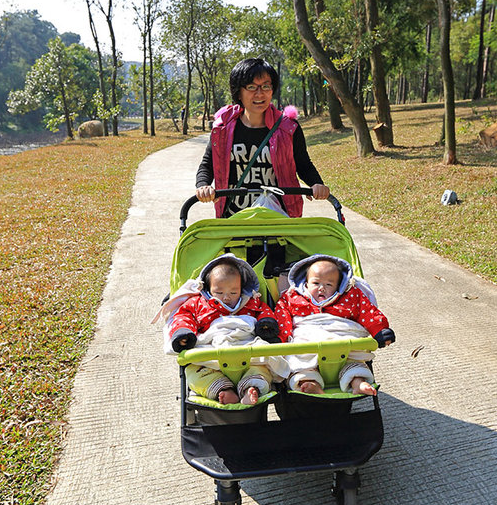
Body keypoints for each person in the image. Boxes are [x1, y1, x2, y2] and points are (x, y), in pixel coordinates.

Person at [195, 58, 330, 217]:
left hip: (278, 217)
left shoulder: (288, 129)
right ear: (239, 91)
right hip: (233, 218)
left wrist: (316, 184)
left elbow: (303, 164)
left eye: (266, 86)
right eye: (252, 87)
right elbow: (207, 164)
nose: (260, 93)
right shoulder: (223, 128)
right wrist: (203, 186)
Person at [273, 254, 395, 397]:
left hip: (342, 337)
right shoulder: (292, 297)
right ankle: (311, 384)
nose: (321, 289)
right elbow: (282, 318)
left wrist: (379, 330)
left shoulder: (350, 295)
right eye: (316, 283)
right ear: (306, 283)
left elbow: (368, 312)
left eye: (329, 284)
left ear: (339, 285)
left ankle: (358, 383)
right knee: (299, 366)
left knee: (353, 364)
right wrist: (281, 338)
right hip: (308, 340)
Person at [166, 254, 281, 405]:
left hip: (247, 349)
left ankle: (251, 388)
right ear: (208, 288)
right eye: (219, 292)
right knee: (194, 372)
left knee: (264, 368)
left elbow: (264, 311)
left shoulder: (250, 302)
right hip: (212, 353)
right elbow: (184, 316)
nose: (226, 297)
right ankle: (222, 390)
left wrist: (266, 325)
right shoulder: (198, 303)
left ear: (242, 288)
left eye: (233, 292)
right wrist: (184, 333)